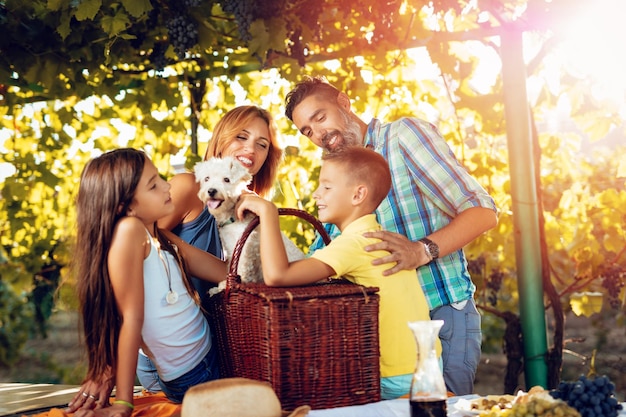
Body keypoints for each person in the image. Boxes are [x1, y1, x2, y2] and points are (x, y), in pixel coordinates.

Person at [284, 75, 498, 396]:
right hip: (381, 334)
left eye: (320, 117)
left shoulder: (402, 137)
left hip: (439, 318)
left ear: (344, 102)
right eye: (307, 131)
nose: (319, 134)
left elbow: (482, 211)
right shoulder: (339, 177)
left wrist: (421, 250)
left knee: (442, 412)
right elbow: (324, 253)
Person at [236, 146, 434, 400]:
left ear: (358, 194)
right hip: (425, 363)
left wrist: (268, 213)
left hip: (394, 376)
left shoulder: (354, 244)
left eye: (327, 187)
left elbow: (278, 277)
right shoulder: (378, 236)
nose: (317, 194)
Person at [133, 105, 284, 393]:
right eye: (241, 136)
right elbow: (142, 241)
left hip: (218, 346)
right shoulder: (188, 186)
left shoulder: (251, 209)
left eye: (262, 145)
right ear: (221, 138)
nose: (250, 148)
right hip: (175, 355)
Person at [67, 148, 228, 417]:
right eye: (153, 185)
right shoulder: (130, 232)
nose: (168, 186)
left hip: (208, 356)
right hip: (195, 375)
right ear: (126, 206)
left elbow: (225, 272)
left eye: (161, 178)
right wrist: (124, 402)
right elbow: (130, 320)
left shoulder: (159, 235)